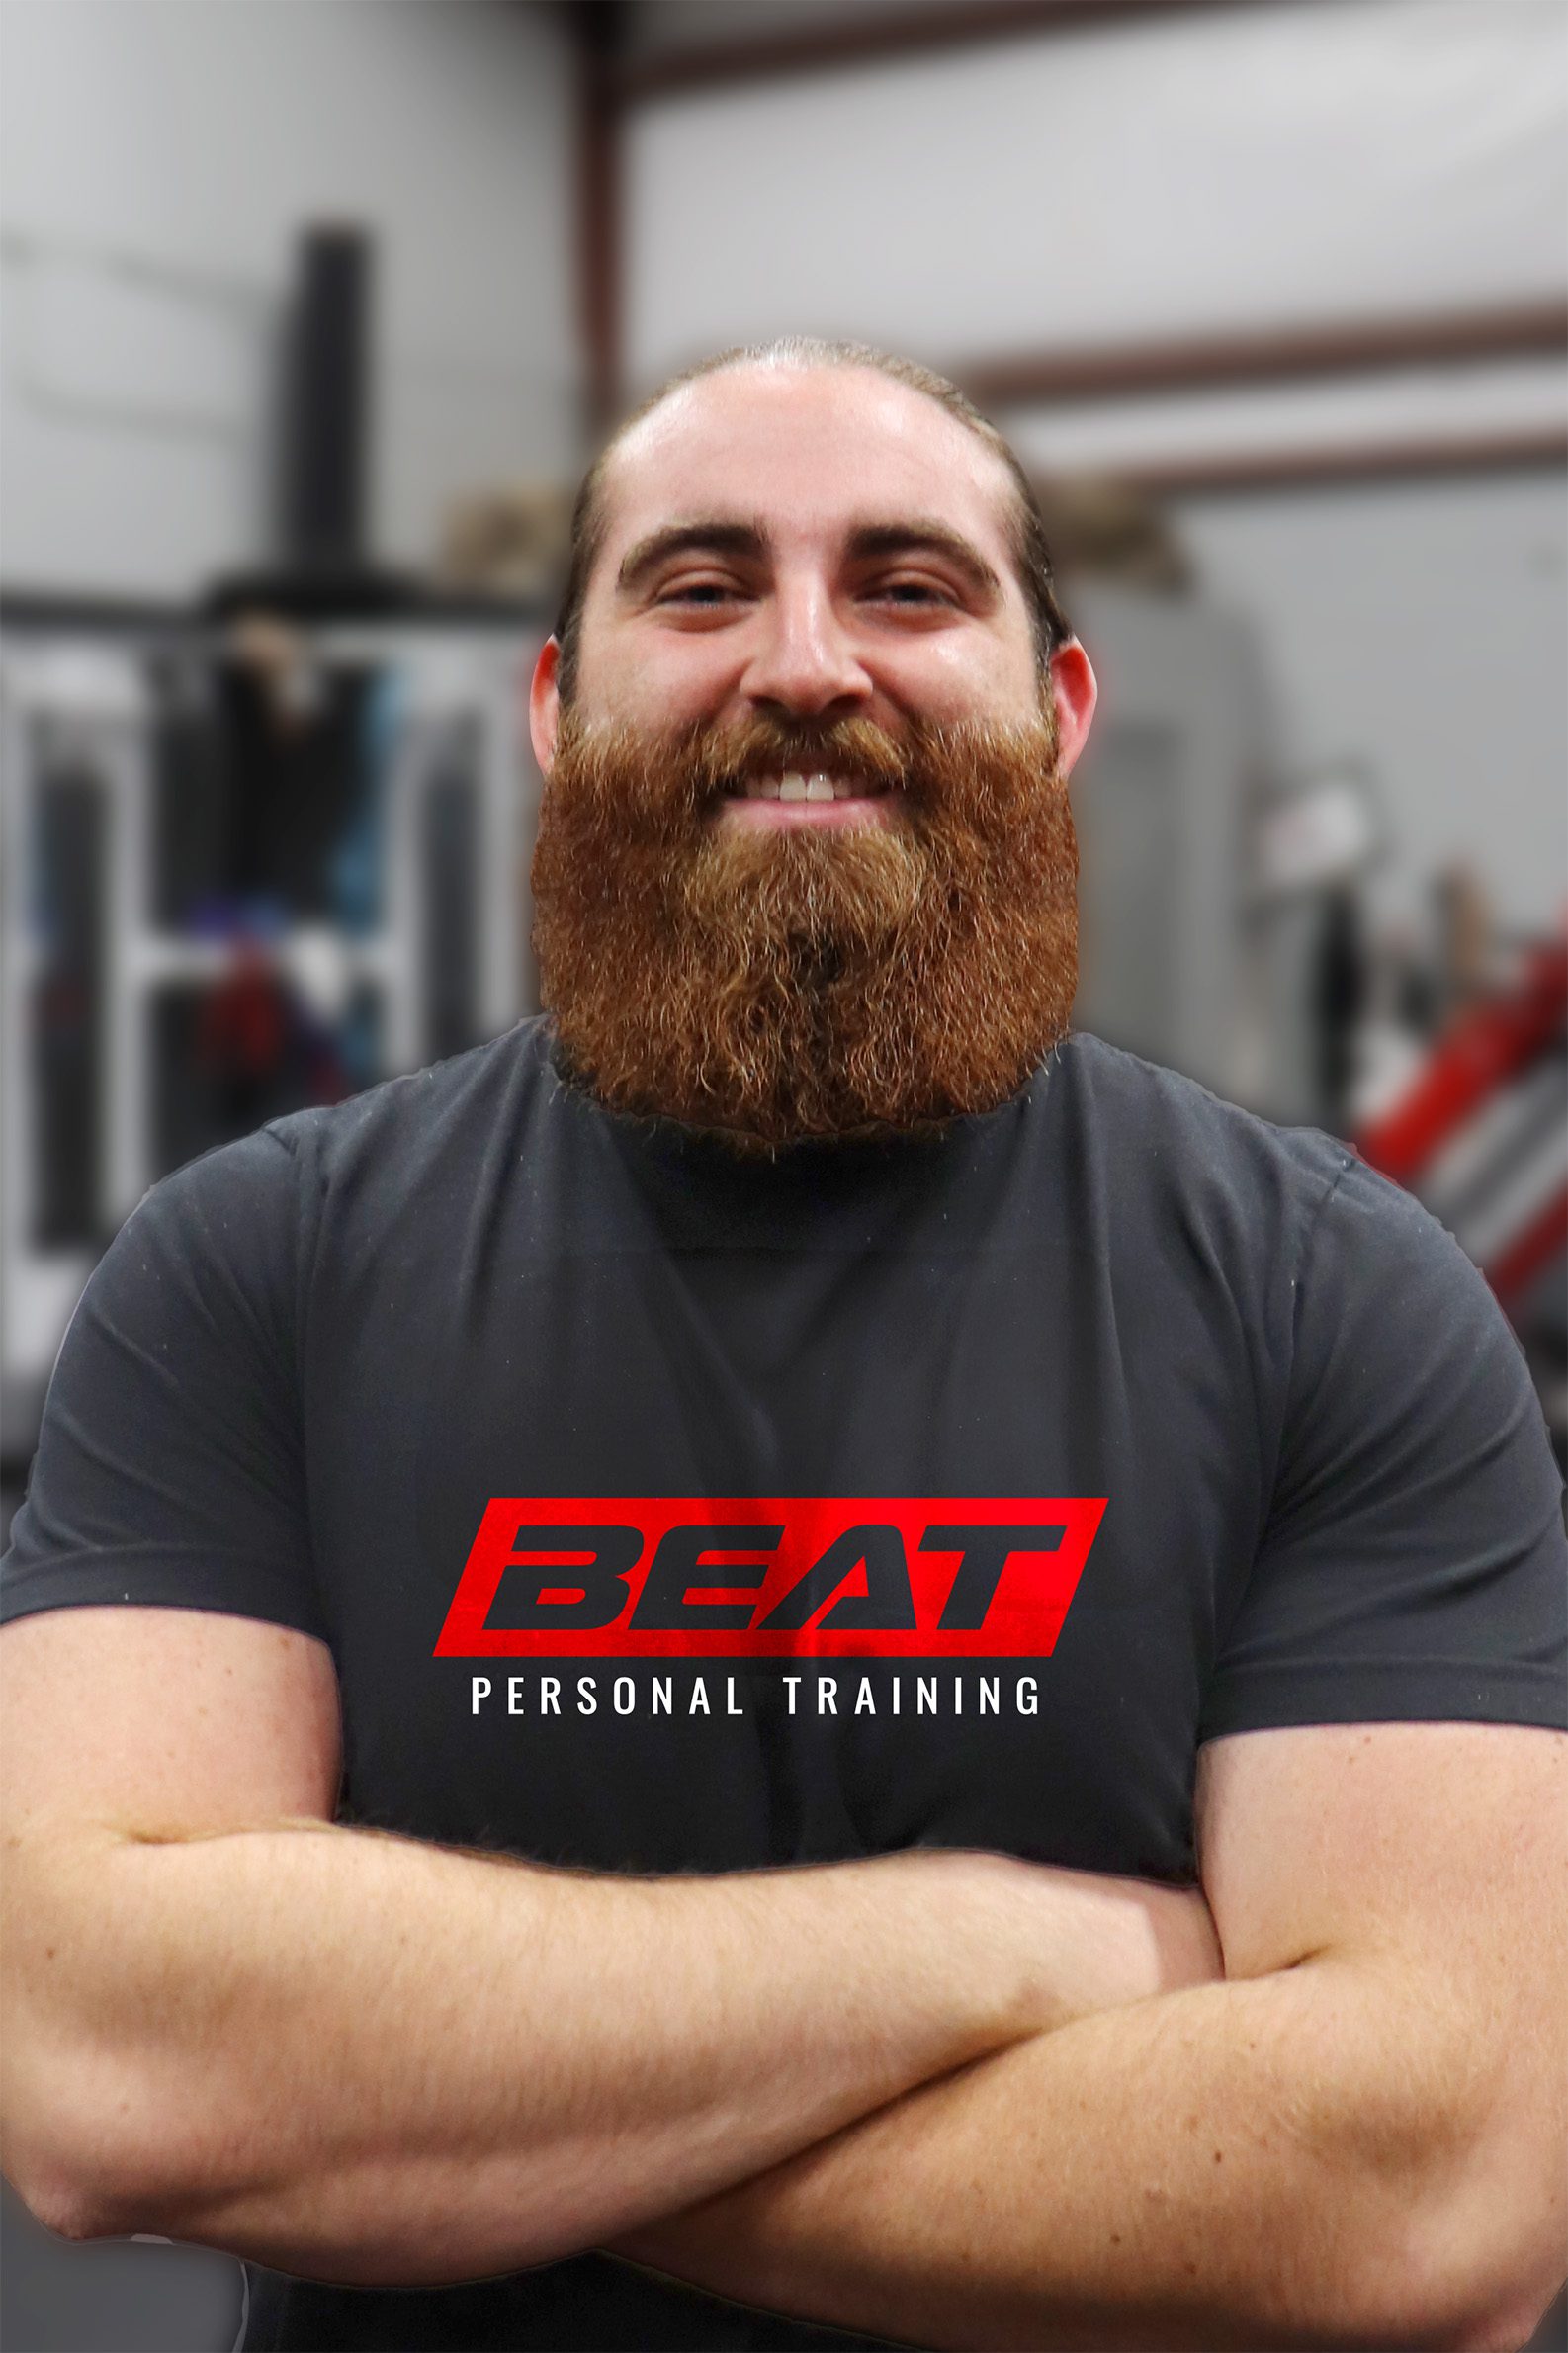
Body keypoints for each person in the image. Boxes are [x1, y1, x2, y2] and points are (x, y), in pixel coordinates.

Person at [2, 339, 1564, 2353]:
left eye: (909, 587)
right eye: (702, 583)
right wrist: (1006, 1947)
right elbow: (104, 2066)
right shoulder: (253, 1267)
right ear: (555, 710)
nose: (807, 662)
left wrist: (446, 2118)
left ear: (1057, 708)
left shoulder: (1328, 1294)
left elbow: (1425, 2196)